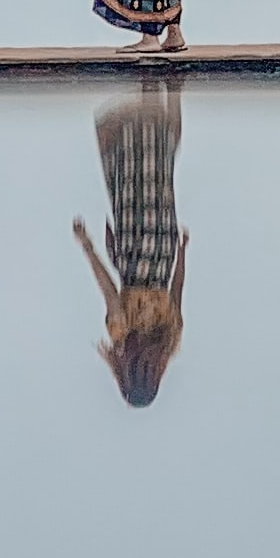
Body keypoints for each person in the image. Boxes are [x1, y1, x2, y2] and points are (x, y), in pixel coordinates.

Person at [74, 97, 189, 407]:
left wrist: (182, 252)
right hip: (132, 253)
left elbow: (177, 291)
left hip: (162, 253)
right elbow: (110, 292)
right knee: (133, 177)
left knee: (160, 178)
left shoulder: (169, 340)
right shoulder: (123, 336)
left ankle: (166, 96)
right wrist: (87, 246)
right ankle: (147, 99)